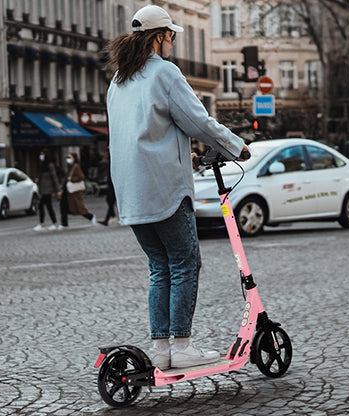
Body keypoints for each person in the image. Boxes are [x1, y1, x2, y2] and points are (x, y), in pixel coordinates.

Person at [106, 5, 250, 370]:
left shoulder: (119, 79)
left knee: (159, 266)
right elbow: (196, 120)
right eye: (170, 35)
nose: (172, 42)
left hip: (131, 192)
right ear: (160, 36)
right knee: (185, 263)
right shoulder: (164, 73)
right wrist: (236, 146)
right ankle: (182, 345)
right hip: (164, 187)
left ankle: (161, 349)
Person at [60, 153, 97, 227]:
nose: (68, 159)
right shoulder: (70, 167)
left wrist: (72, 179)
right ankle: (64, 224)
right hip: (67, 192)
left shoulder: (76, 167)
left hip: (73, 193)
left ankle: (90, 216)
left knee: (79, 208)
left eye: (70, 157)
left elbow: (81, 177)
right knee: (63, 207)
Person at [33, 150, 62, 231]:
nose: (41, 156)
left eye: (42, 154)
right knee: (45, 206)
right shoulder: (42, 165)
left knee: (45, 206)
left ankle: (48, 223)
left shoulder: (50, 165)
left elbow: (54, 178)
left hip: (48, 189)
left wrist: (58, 190)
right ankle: (52, 223)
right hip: (43, 189)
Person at [98, 158, 117, 226]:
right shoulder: (111, 159)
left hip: (114, 184)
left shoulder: (115, 160)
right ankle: (110, 217)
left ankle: (110, 217)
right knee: (110, 201)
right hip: (111, 184)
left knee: (111, 200)